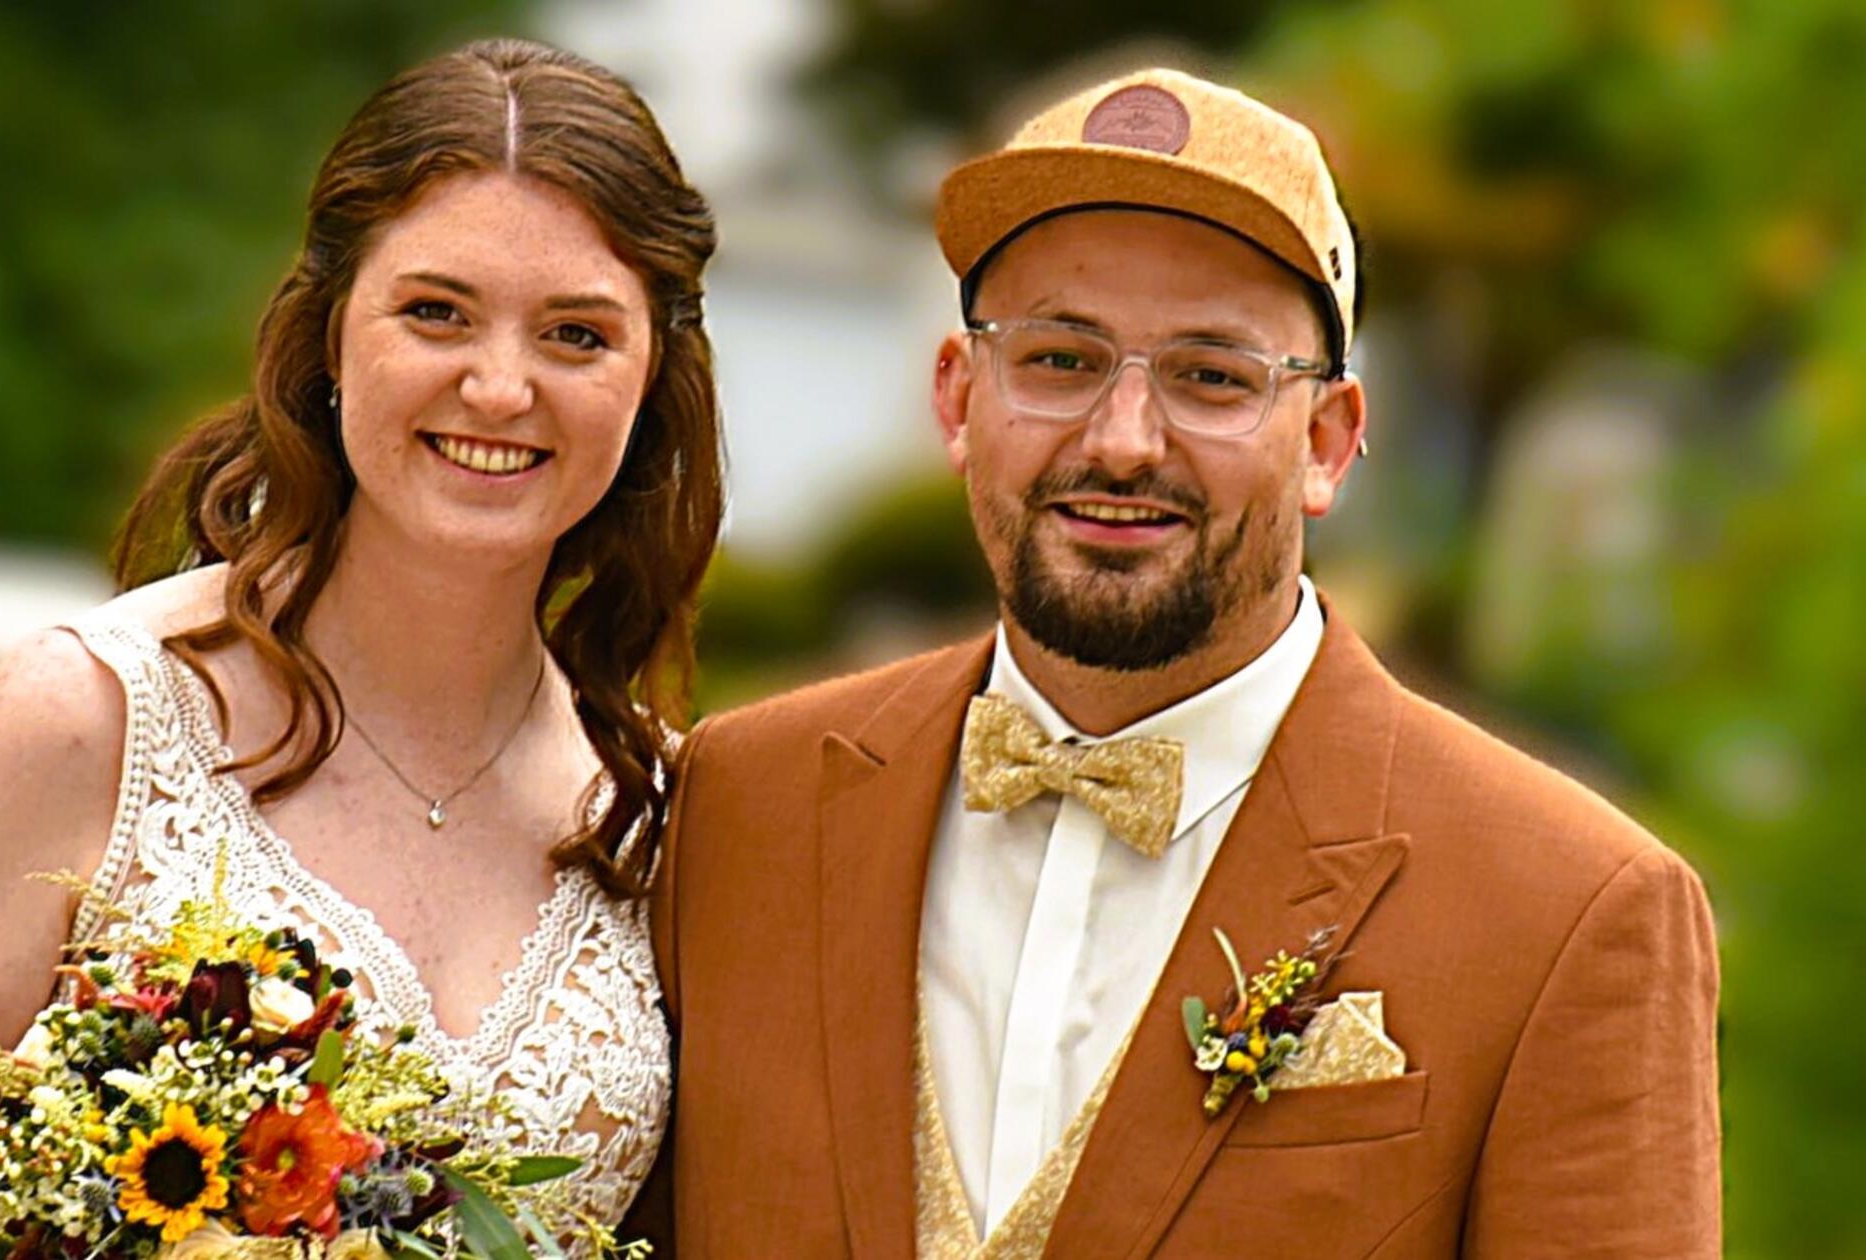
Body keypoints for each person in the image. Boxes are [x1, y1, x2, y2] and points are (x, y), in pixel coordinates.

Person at [641, 67, 1721, 1256]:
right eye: (1060, 358)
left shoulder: (1572, 910)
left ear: (1327, 440)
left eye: (1213, 375)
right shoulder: (734, 808)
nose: (1122, 439)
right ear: (958, 397)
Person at [0, 38, 720, 1239]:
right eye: (436, 313)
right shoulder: (85, 722)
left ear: (653, 380)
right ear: (331, 334)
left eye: (576, 335)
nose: (501, 389)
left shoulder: (662, 811)